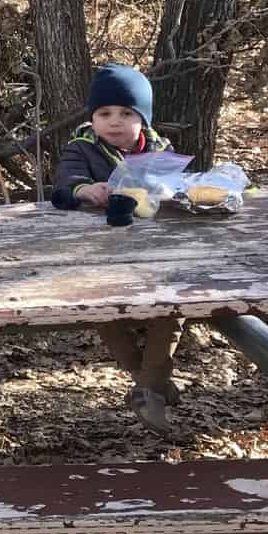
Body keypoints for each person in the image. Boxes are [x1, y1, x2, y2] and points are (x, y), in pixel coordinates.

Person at [53, 63, 182, 436]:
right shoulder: (82, 148)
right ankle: (152, 382)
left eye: (127, 114)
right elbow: (65, 185)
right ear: (92, 117)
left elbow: (172, 187)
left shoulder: (159, 148)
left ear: (143, 119)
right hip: (97, 255)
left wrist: (169, 190)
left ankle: (149, 386)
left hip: (153, 255)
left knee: (172, 311)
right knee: (107, 317)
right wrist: (85, 191)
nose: (115, 122)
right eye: (105, 113)